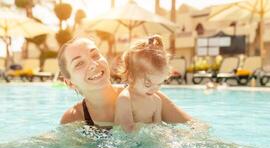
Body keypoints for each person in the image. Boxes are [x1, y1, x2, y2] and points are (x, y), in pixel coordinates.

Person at [58, 37, 191, 128]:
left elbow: (196, 129)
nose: (93, 64)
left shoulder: (146, 95)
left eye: (95, 55)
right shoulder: (73, 119)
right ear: (70, 83)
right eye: (79, 63)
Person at [114, 35, 170, 132]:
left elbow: (159, 127)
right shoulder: (126, 99)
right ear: (131, 76)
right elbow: (127, 130)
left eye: (159, 84)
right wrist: (152, 130)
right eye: (148, 84)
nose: (155, 89)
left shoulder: (156, 101)